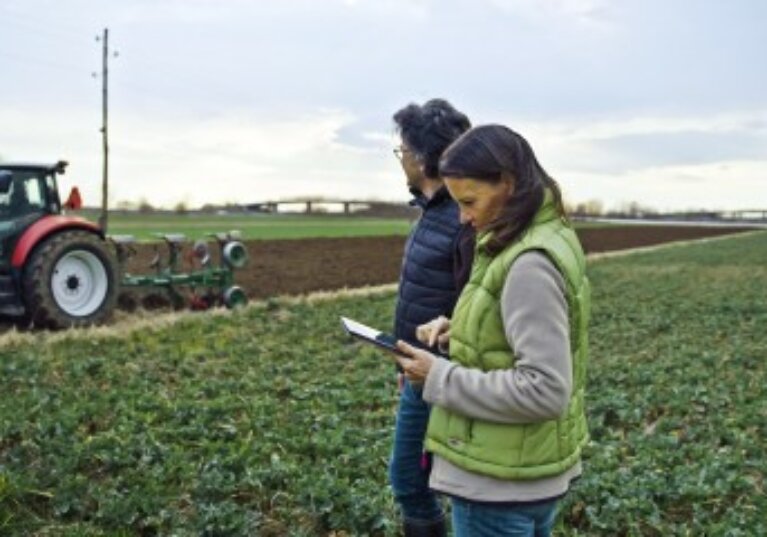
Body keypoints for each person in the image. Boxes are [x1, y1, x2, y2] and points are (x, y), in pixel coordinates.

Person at [394, 124, 590, 537]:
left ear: (508, 183)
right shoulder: (537, 236)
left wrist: (438, 376)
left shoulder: (528, 263)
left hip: (499, 486)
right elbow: (520, 329)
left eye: (469, 201)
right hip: (520, 471)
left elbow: (544, 389)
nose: (463, 217)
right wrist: (462, 328)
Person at [389, 99, 474, 536]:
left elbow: (474, 307)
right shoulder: (432, 213)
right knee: (419, 478)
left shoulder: (462, 220)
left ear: (421, 159)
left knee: (411, 480)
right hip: (420, 369)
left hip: (444, 373)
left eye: (402, 150)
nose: (400, 159)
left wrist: (436, 365)